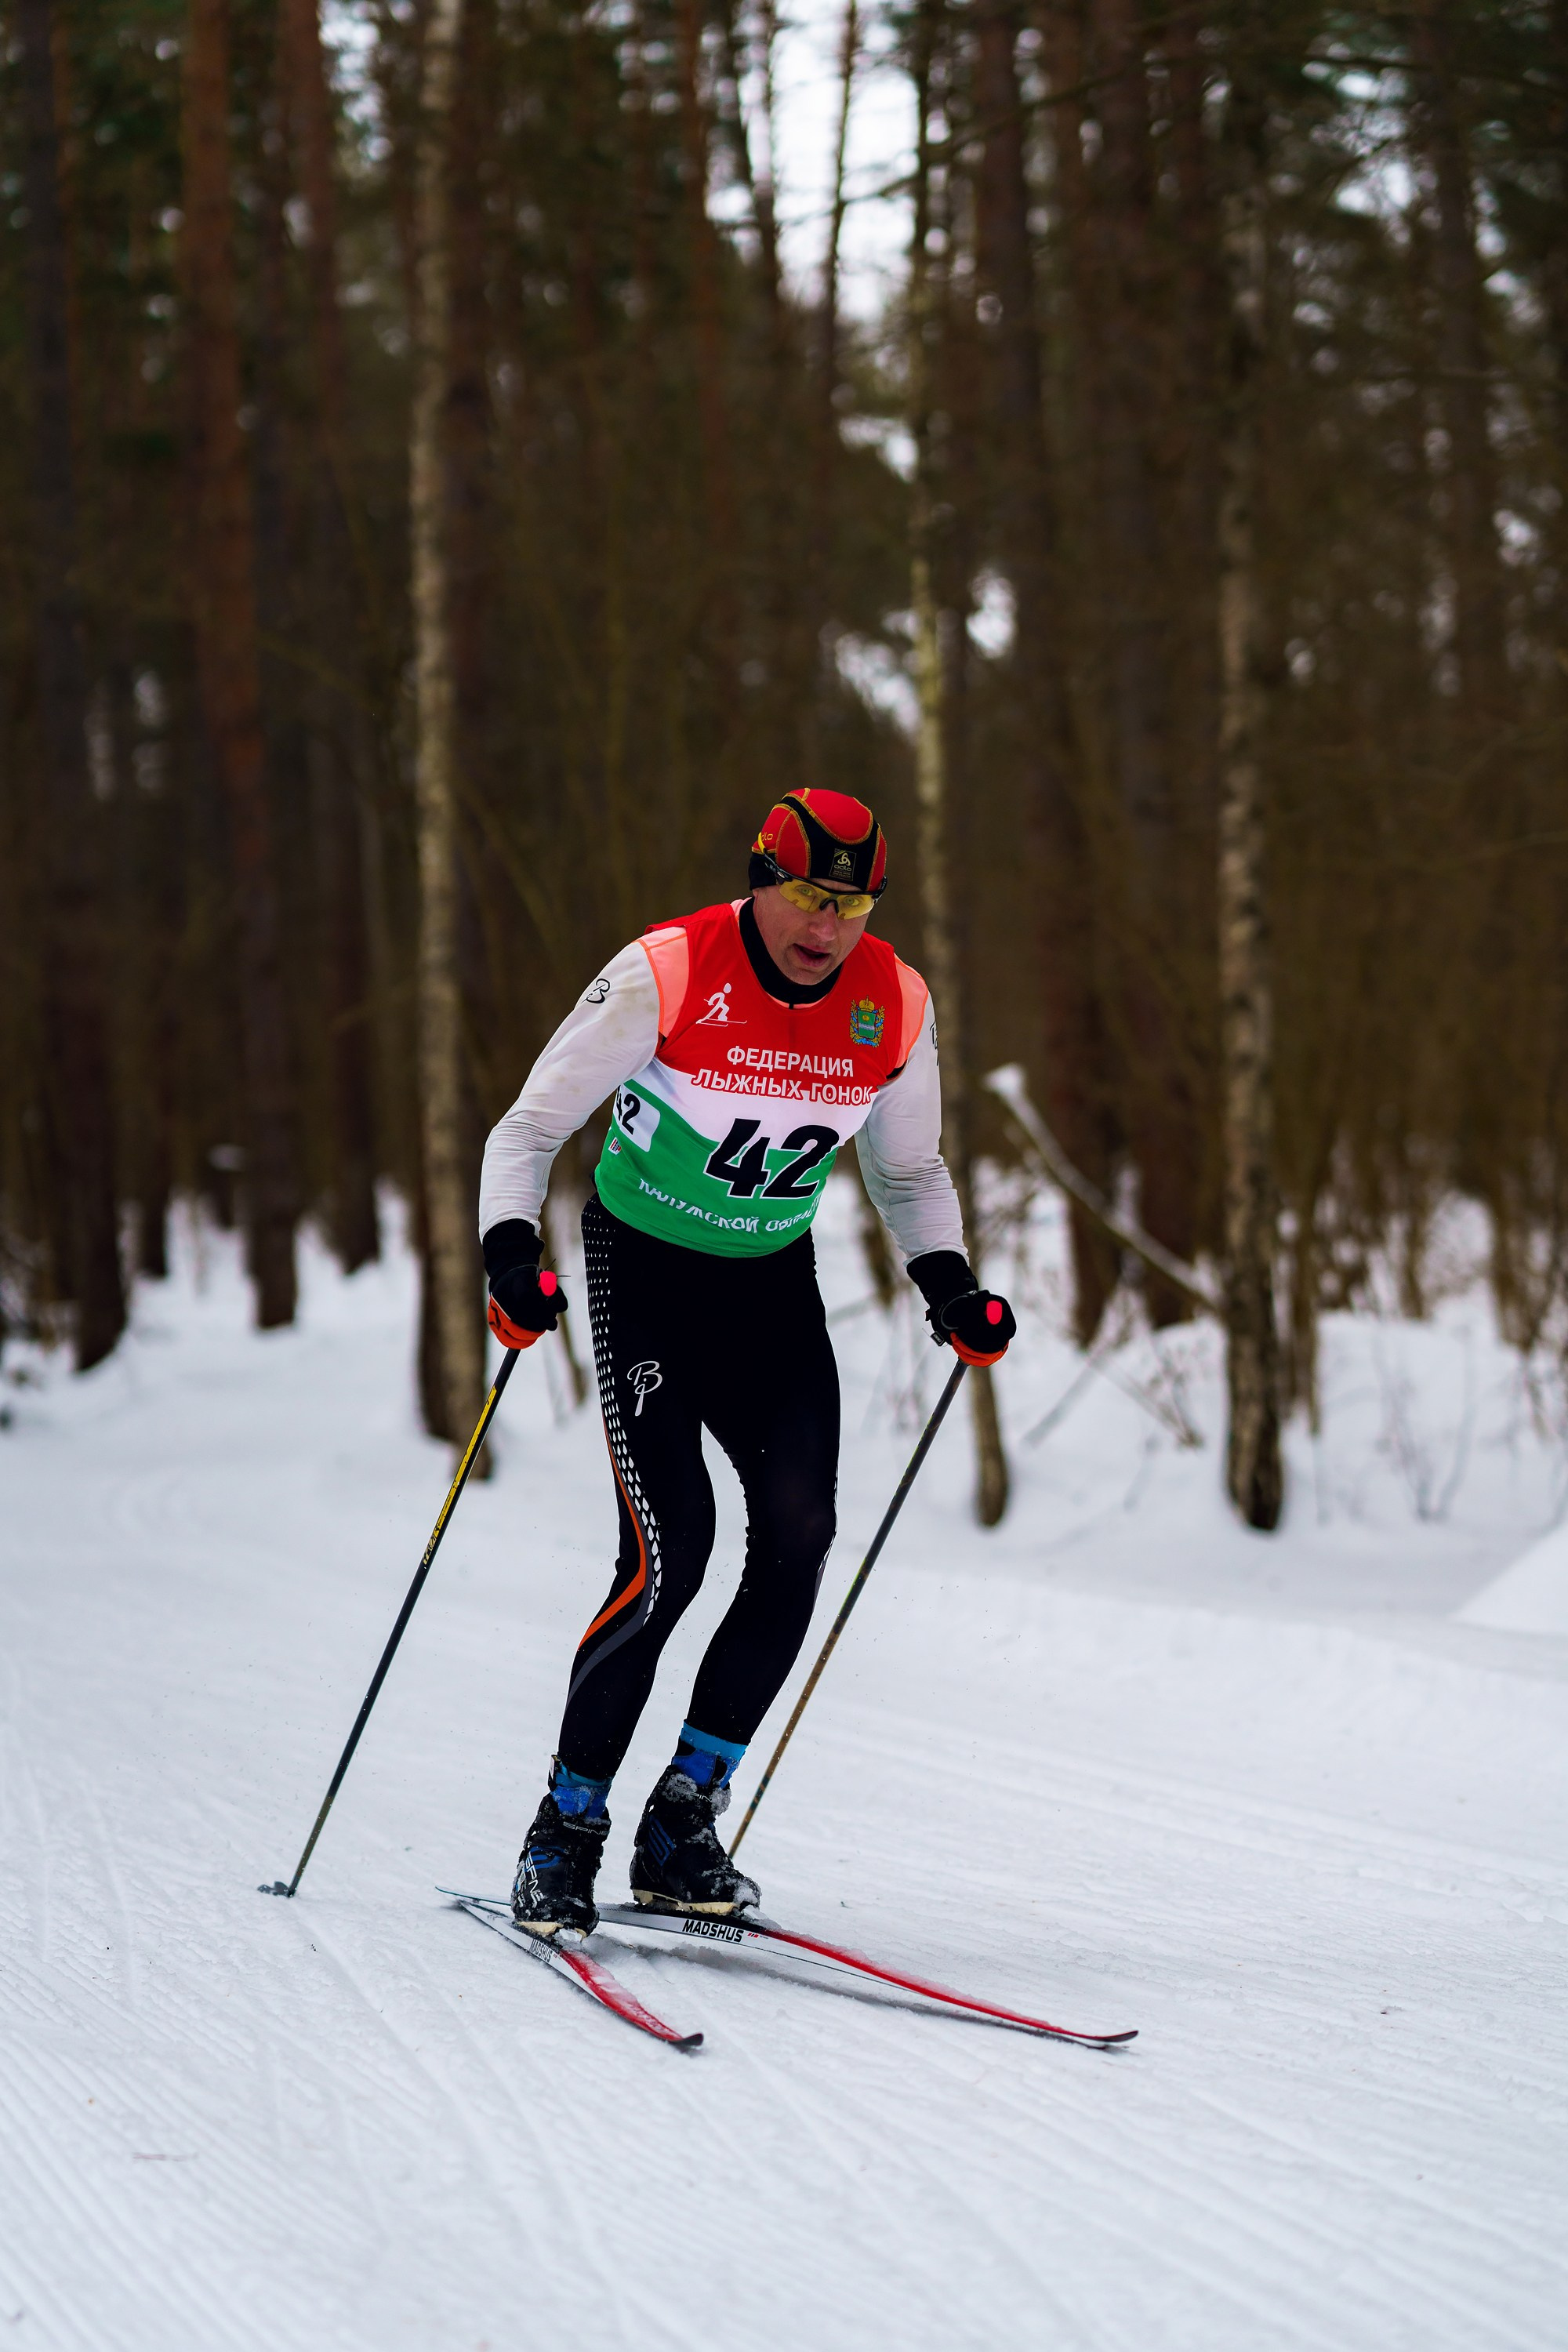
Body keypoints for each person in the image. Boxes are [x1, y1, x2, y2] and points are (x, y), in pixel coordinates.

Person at [478, 789, 1016, 1936]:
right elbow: (527, 1129)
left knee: (799, 1540)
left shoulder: (897, 1001)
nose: (830, 926)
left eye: (854, 902)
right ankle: (565, 1828)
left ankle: (681, 1822)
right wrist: (509, 1256)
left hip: (769, 1287)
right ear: (762, 880)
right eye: (811, 897)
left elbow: (910, 1173)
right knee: (673, 1553)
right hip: (646, 1274)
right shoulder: (666, 971)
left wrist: (951, 1287)